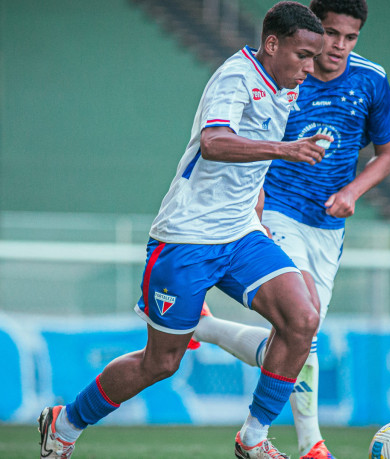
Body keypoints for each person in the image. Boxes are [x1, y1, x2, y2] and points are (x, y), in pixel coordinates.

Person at [36, 3, 329, 459]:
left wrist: (257, 206)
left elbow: (250, 165)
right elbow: (213, 143)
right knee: (161, 363)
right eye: (303, 55)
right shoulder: (237, 77)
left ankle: (253, 438)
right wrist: (286, 149)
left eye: (315, 57)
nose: (309, 68)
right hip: (186, 240)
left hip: (240, 235)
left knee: (303, 319)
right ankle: (67, 421)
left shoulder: (284, 86)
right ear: (272, 44)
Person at [192, 1, 390, 458]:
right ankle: (310, 443)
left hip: (328, 226)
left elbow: (386, 155)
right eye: (330, 34)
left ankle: (207, 331)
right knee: (303, 317)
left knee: (300, 337)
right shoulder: (285, 76)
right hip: (278, 211)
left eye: (350, 38)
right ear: (311, 30)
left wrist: (353, 193)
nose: (338, 47)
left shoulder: (371, 80)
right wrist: (257, 200)